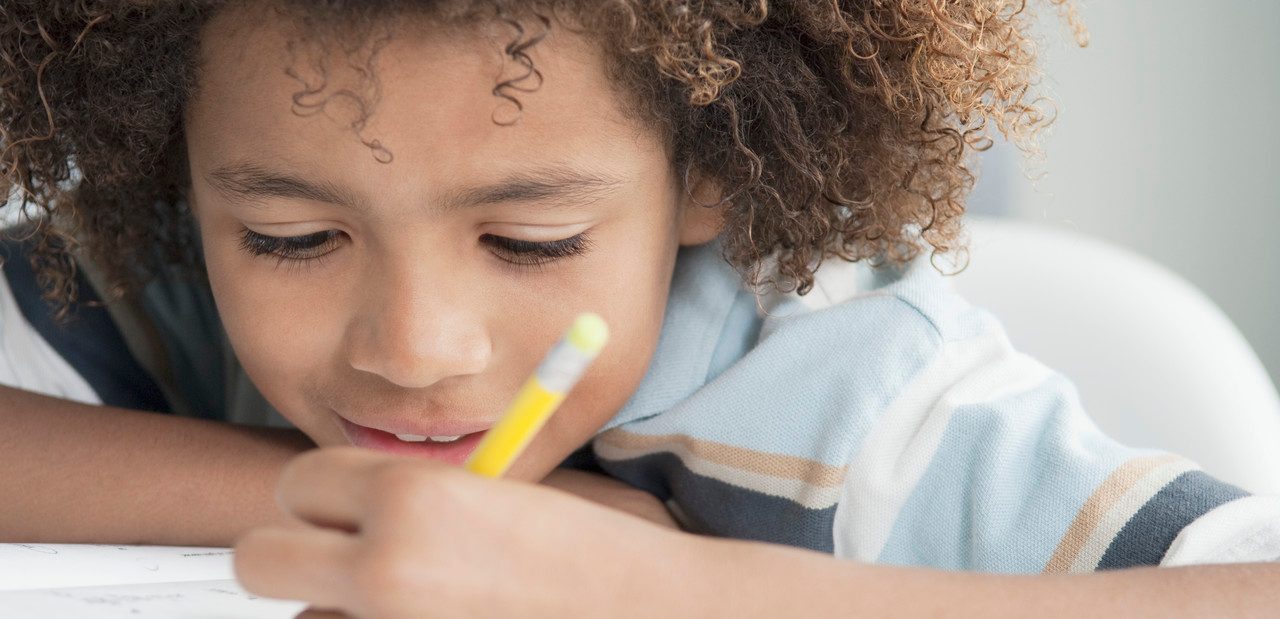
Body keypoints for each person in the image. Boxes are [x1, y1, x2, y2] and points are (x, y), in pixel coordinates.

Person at [1, 1, 1277, 617]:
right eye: (291, 238)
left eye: (530, 238)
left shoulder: (848, 402)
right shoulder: (151, 272)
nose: (410, 348)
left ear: (706, 181)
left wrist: (661, 584)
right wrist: (411, 517)